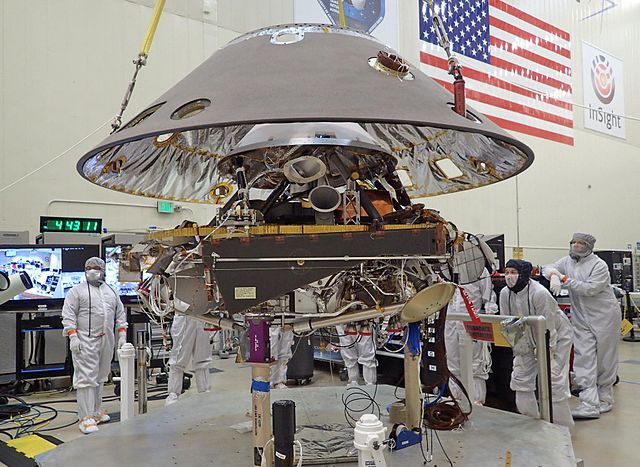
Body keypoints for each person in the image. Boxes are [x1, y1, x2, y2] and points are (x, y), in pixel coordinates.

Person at [543, 233, 620, 419]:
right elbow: (548, 266)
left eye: (581, 243)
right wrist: (553, 274)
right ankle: (589, 403)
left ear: (590, 246)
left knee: (605, 358)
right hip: (581, 317)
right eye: (574, 242)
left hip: (604, 316)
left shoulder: (598, 265)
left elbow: (590, 289)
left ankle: (605, 398)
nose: (577, 246)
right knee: (583, 357)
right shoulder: (568, 261)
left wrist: (564, 280)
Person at [500, 259, 574, 431]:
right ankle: (531, 424)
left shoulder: (540, 293)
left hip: (556, 337)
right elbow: (507, 323)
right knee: (520, 378)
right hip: (526, 338)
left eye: (513, 272)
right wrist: (519, 349)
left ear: (524, 274)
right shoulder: (505, 293)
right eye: (507, 272)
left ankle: (562, 428)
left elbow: (549, 328)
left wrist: (549, 355)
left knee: (553, 380)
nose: (509, 276)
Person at [62, 257, 127, 434]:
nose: (92, 270)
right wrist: (73, 336)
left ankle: (96, 411)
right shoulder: (76, 292)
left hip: (107, 340)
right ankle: (85, 418)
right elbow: (68, 315)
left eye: (96, 267)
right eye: (88, 267)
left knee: (100, 377)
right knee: (86, 379)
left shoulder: (111, 291)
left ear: (103, 270)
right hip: (85, 341)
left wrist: (122, 334)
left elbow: (120, 314)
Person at [445, 267, 498, 404]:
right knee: (453, 364)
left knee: (476, 365)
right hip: (450, 322)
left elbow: (489, 297)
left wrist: (488, 316)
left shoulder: (479, 269)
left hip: (472, 321)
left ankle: (476, 402)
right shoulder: (446, 269)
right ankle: (455, 400)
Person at [165, 314, 213, 406]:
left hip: (203, 315)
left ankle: (205, 393)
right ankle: (173, 396)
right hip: (184, 314)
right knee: (178, 359)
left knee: (203, 359)